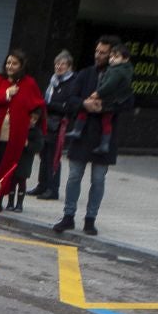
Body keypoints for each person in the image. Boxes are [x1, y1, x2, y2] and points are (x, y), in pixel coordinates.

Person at [53, 35, 133, 237]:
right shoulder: (85, 74)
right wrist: (84, 105)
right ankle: (68, 216)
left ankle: (90, 219)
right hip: (82, 133)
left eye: (103, 53)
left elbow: (128, 103)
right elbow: (70, 99)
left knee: (98, 180)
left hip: (104, 137)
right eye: (97, 51)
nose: (98, 55)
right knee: (73, 177)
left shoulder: (121, 76)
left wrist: (104, 106)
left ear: (114, 55)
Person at [0, 49, 43, 212]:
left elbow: (38, 105)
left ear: (21, 66)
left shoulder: (29, 83)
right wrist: (6, 93)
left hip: (13, 135)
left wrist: (33, 120)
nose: (10, 66)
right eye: (8, 62)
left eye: (14, 63)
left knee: (5, 167)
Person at [31, 50, 79, 199]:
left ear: (69, 66)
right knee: (43, 155)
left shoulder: (72, 83)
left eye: (62, 64)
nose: (59, 66)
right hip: (47, 122)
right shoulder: (53, 81)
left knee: (54, 156)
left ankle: (53, 189)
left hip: (60, 125)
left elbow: (68, 106)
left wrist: (49, 105)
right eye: (57, 63)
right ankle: (42, 185)